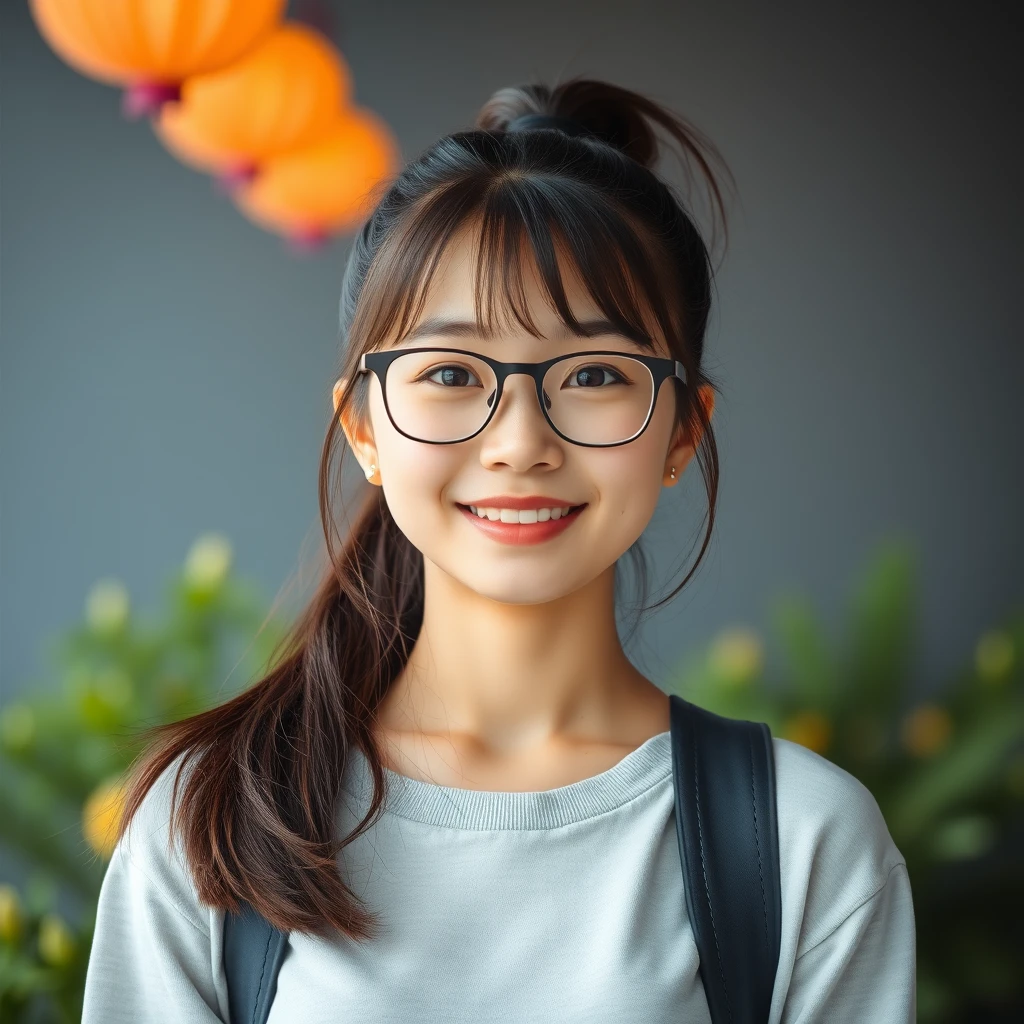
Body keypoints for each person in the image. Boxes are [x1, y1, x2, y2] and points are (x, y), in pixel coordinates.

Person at [81, 76, 916, 1023]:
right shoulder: (216, 820)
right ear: (364, 426)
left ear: (684, 430)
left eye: (596, 373)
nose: (520, 440)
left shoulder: (805, 841)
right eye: (449, 371)